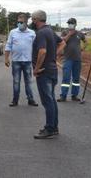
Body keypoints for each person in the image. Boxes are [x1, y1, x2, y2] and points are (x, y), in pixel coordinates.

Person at [30, 10, 66, 139]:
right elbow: (62, 43)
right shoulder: (50, 31)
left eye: (33, 19)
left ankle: (49, 128)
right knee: (51, 100)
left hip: (44, 72)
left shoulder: (41, 33)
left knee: (47, 101)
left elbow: (42, 51)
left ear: (37, 20)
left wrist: (36, 69)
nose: (32, 22)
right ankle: (54, 127)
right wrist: (54, 55)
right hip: (52, 70)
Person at [5, 13, 38, 107]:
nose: (19, 23)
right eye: (18, 22)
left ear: (26, 22)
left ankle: (30, 99)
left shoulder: (32, 33)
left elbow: (35, 47)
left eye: (21, 22)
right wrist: (6, 58)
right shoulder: (13, 32)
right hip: (16, 61)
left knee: (28, 82)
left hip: (27, 61)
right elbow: (8, 45)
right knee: (16, 81)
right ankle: (15, 100)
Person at [57, 18, 87, 102]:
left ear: (75, 24)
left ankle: (74, 95)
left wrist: (82, 49)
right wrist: (69, 35)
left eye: (71, 23)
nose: (70, 24)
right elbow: (62, 41)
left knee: (76, 79)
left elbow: (86, 42)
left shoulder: (80, 33)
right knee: (66, 78)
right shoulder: (65, 32)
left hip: (77, 59)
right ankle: (63, 95)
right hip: (67, 59)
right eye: (69, 23)